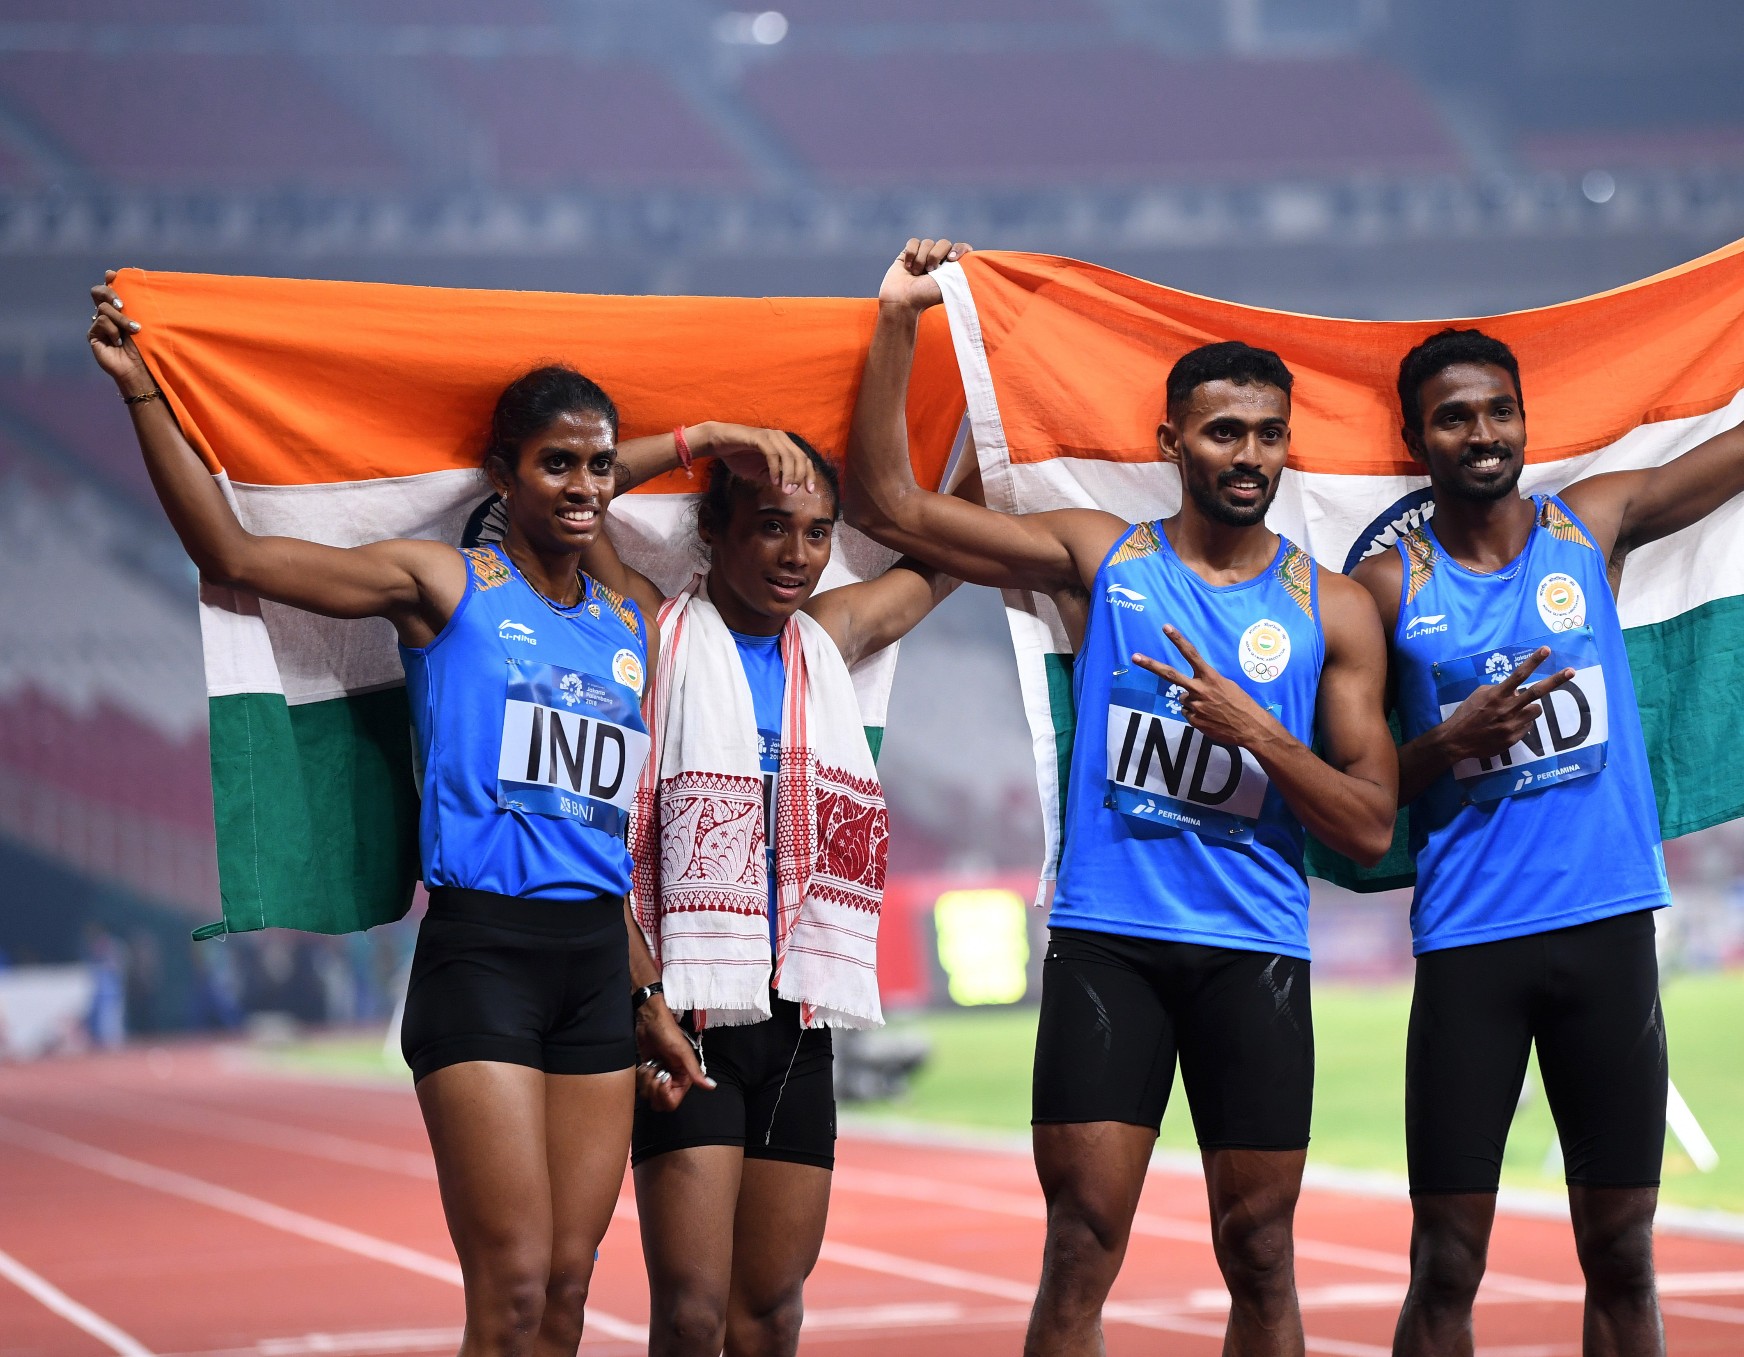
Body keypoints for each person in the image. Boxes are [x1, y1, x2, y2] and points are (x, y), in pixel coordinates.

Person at [1347, 163, 1744, 1357]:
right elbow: (1353, 800)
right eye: (1452, 416)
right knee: (1444, 1262)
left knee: (1620, 1253)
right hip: (1467, 948)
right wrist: (1443, 748)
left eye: (1496, 410)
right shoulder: (1385, 585)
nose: (1481, 432)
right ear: (1415, 439)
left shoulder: (1589, 525)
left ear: (1523, 420)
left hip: (1608, 929)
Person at [87, 274, 713, 1357]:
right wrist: (147, 394)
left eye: (601, 463)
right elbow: (236, 558)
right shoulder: (444, 586)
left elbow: (592, 835)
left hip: (593, 971)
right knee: (511, 1290)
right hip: (482, 958)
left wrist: (645, 988)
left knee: (568, 1289)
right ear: (500, 475)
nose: (583, 484)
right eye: (555, 461)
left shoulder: (630, 623)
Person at [845, 239, 1399, 1357]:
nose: (1248, 455)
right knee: (1082, 1243)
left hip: (1253, 953)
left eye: (1267, 434)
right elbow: (890, 502)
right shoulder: (1104, 563)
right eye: (1222, 431)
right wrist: (899, 318)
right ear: (1170, 443)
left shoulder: (1331, 610)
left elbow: (1369, 824)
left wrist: (1254, 737)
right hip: (1113, 943)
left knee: (1259, 1251)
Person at [581, 426, 961, 1357]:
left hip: (798, 1020)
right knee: (691, 1314)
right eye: (771, 526)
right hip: (690, 1013)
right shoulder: (650, 628)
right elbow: (589, 497)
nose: (799, 556)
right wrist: (705, 438)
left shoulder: (826, 641)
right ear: (713, 529)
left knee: (773, 1314)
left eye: (820, 532)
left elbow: (952, 547)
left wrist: (1005, 419)